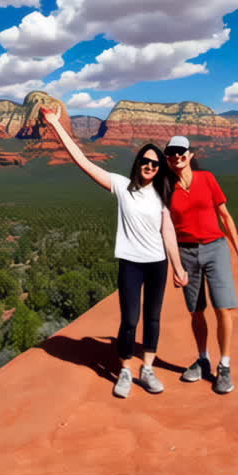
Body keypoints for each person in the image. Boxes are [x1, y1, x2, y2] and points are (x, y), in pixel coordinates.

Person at [41, 107, 189, 398]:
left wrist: (178, 266)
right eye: (145, 161)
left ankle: (146, 368)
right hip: (131, 263)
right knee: (130, 318)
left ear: (160, 168)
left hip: (157, 263)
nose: (150, 166)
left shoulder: (162, 193)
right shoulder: (122, 186)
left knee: (153, 317)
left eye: (155, 163)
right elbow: (82, 161)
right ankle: (124, 370)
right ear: (138, 163)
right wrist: (56, 124)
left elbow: (168, 231)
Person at [163, 135, 238, 394]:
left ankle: (224, 365)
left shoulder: (207, 178)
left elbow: (225, 215)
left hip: (216, 248)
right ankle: (203, 359)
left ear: (190, 155)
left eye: (181, 152)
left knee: (223, 307)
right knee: (196, 310)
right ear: (167, 158)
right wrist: (175, 264)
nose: (177, 157)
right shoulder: (166, 186)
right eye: (171, 153)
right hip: (186, 253)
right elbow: (164, 228)